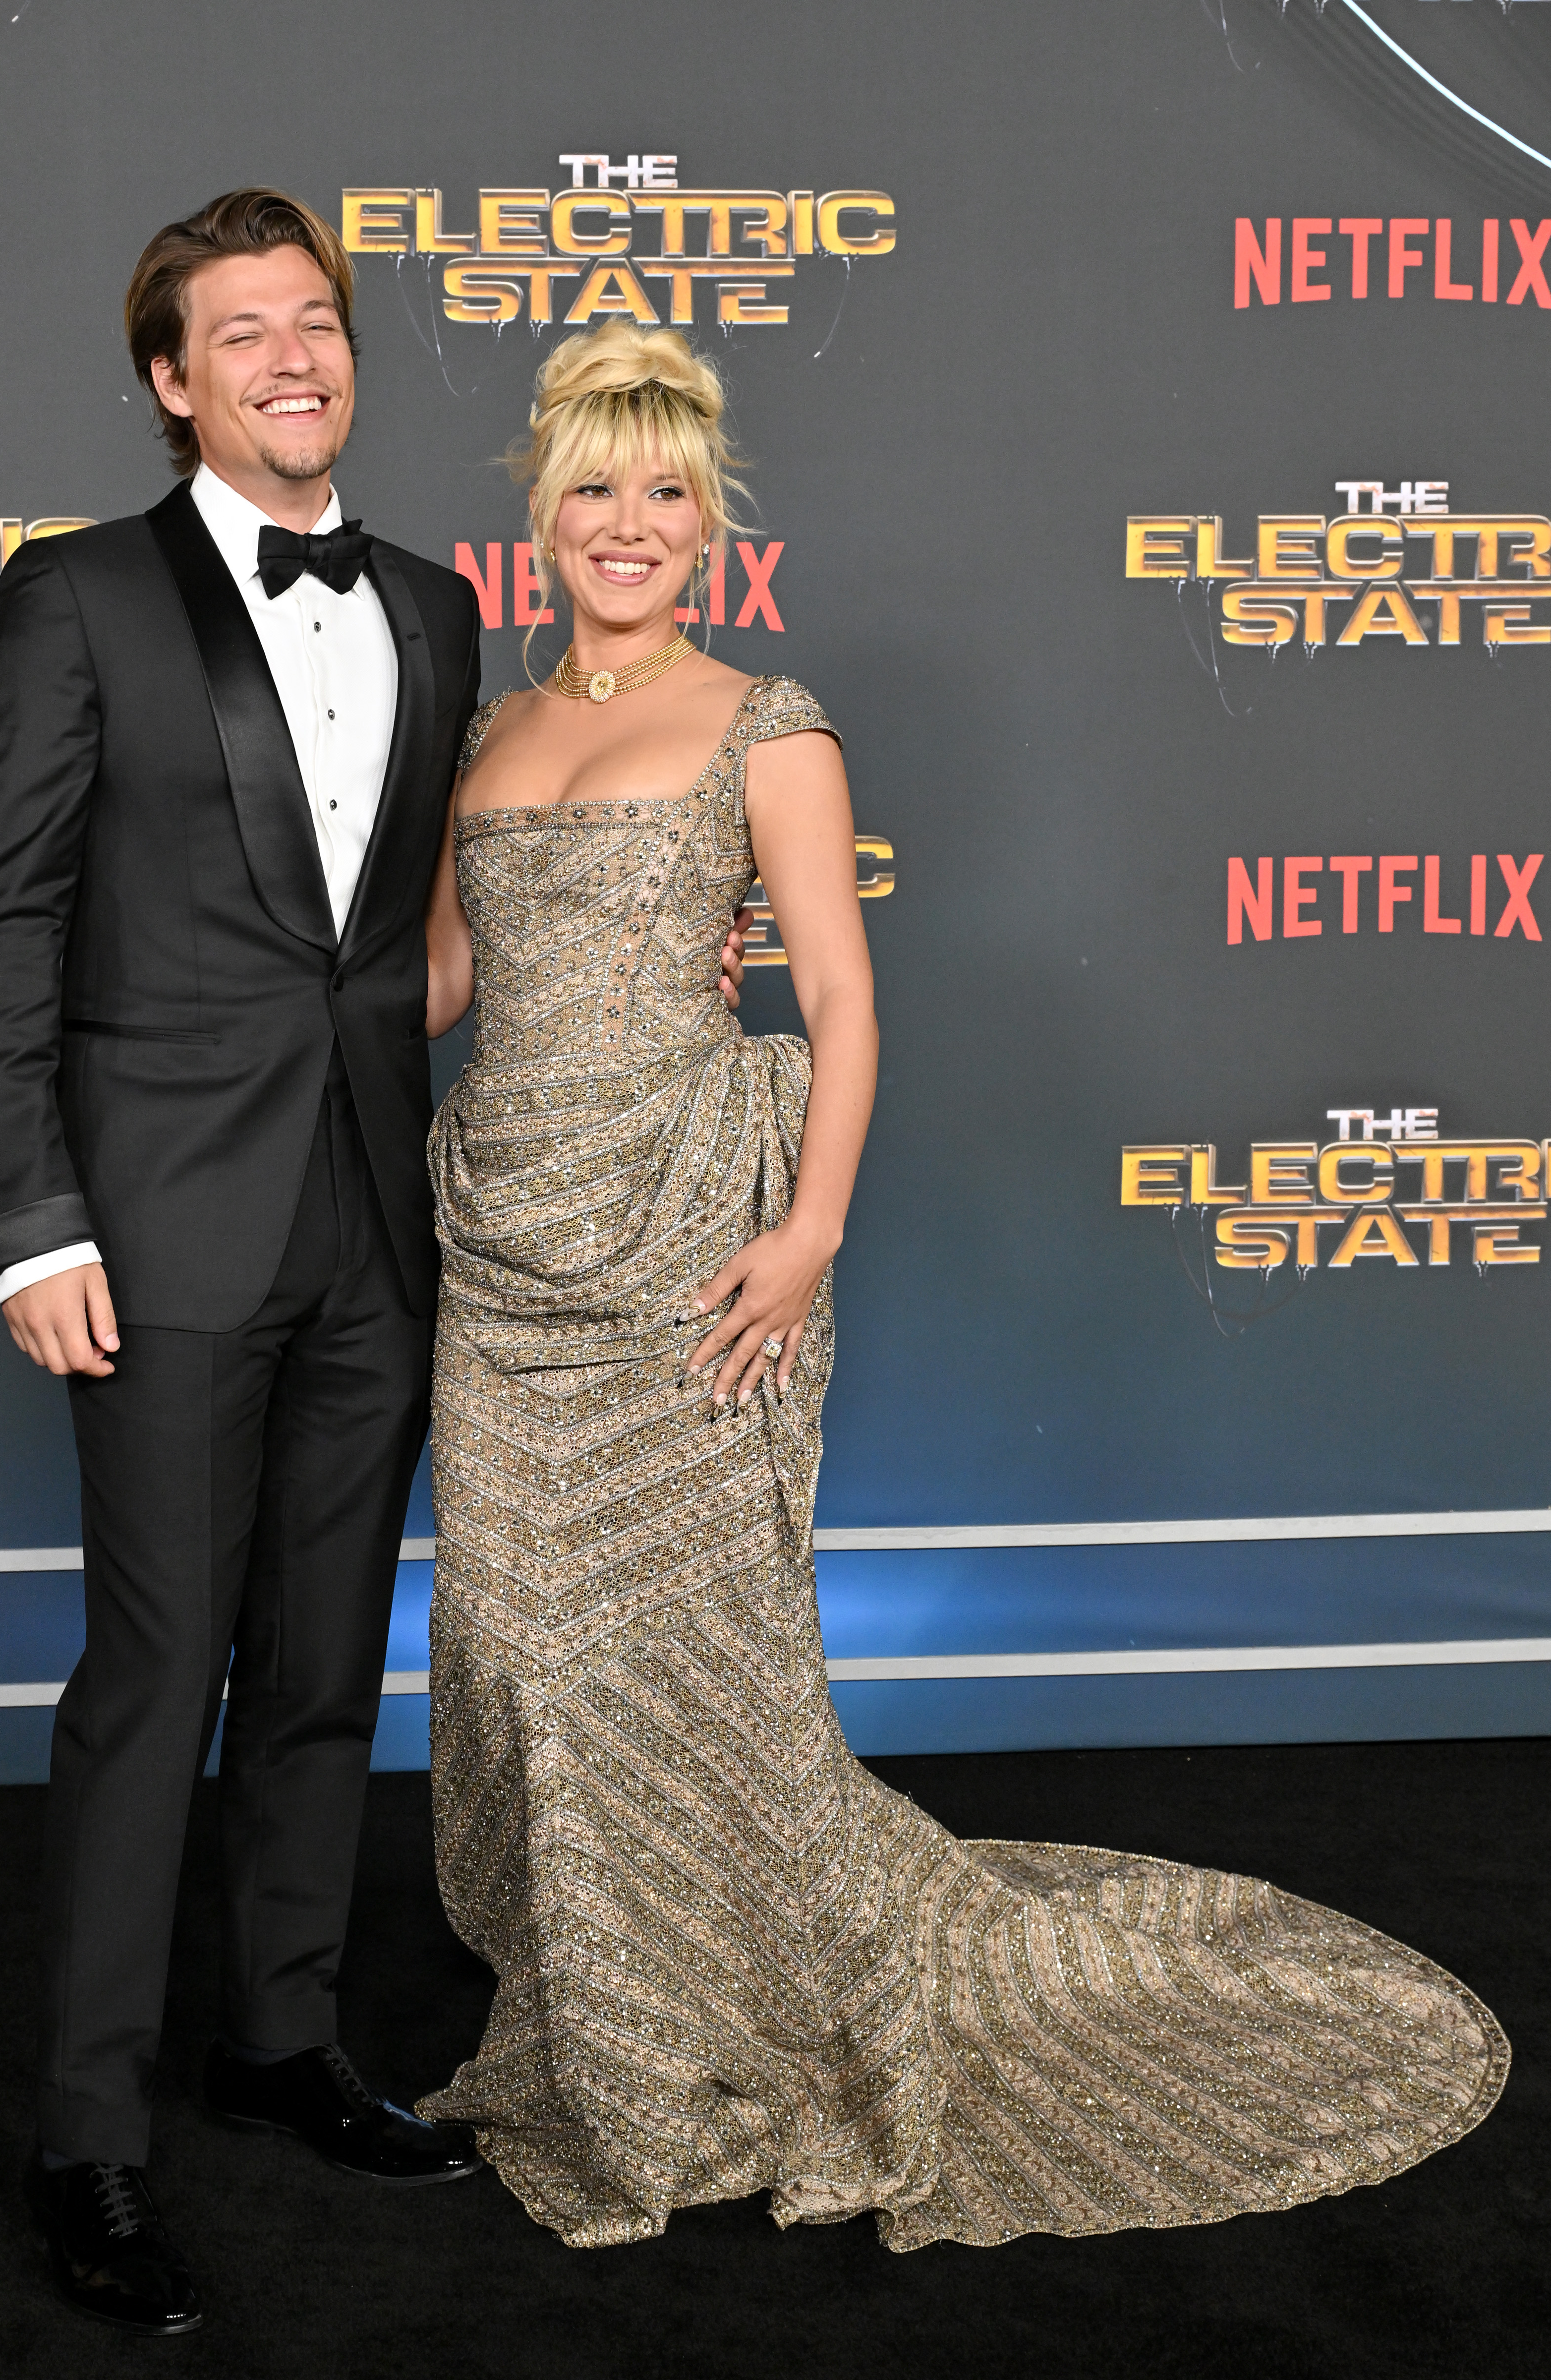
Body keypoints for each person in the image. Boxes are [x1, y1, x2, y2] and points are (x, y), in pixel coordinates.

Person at [413, 322, 1509, 2252]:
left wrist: (812, 1222)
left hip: (689, 1243)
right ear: (542, 508)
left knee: (679, 1658)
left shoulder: (772, 723)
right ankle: (599, 2012)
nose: (626, 524)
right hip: (501, 1257)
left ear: (708, 521)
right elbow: (430, 989)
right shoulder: (489, 737)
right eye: (594, 485)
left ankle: (703, 2031)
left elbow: (837, 993)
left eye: (665, 491)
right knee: (521, 1660)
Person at [0, 188, 752, 2336]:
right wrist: (26, 1222)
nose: (295, 357)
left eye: (321, 321)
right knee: (150, 1685)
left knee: (316, 1674)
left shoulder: (435, 607)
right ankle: (89, 2144)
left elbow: (425, 930)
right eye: (244, 331)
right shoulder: (77, 599)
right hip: (156, 1231)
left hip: (382, 1224)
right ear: (171, 379)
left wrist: (680, 943)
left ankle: (279, 2039)